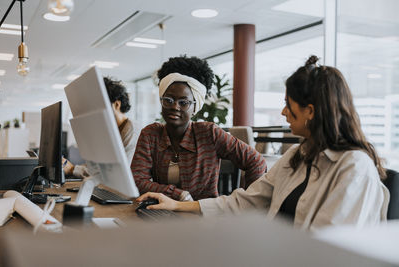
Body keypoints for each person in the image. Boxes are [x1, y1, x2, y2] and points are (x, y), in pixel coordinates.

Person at [137, 55, 390, 230]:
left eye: (288, 105)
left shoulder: (354, 168)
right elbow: (244, 201)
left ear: (310, 111)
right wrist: (178, 204)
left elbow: (327, 248)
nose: (283, 113)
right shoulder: (297, 156)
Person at [131, 55, 266, 201]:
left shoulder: (209, 133)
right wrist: (179, 194)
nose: (175, 107)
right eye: (168, 100)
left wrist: (247, 204)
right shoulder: (151, 134)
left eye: (184, 102)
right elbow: (137, 180)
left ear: (195, 108)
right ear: (161, 102)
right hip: (161, 211)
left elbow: (256, 161)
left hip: (202, 215)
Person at [63, 77, 139, 178]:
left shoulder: (133, 133)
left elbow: (117, 174)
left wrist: (73, 169)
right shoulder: (110, 131)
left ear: (116, 105)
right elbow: (98, 167)